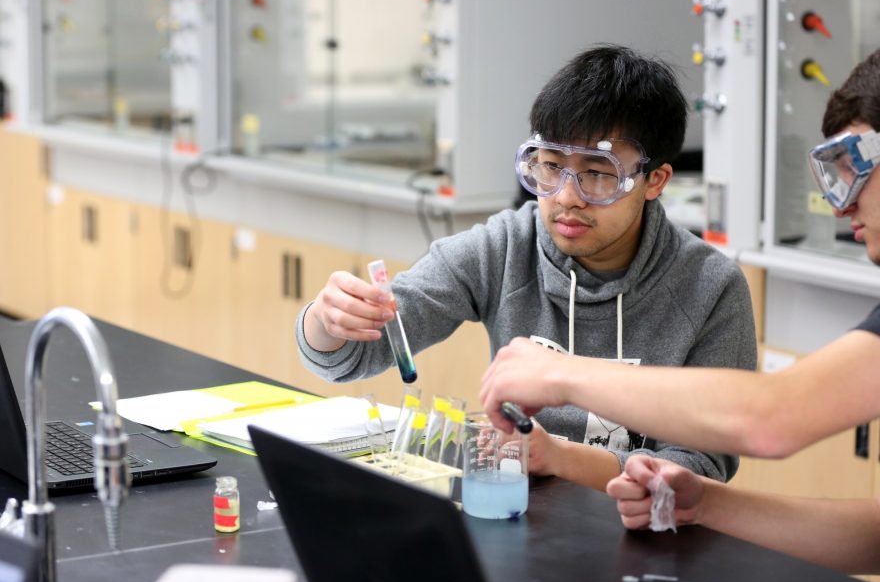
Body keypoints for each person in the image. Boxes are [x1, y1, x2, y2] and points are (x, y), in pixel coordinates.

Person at [480, 50, 880, 573]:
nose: (841, 205)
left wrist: (562, 374)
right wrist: (705, 504)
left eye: (857, 171)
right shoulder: (510, 240)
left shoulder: (709, 282)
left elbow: (771, 418)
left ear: (654, 181)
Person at [297, 44, 758, 492]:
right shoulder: (503, 248)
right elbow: (351, 357)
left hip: (646, 533)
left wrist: (560, 458)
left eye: (597, 174)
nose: (566, 197)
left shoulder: (710, 287)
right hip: (517, 511)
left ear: (654, 180)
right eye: (550, 167)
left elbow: (701, 468)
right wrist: (328, 319)